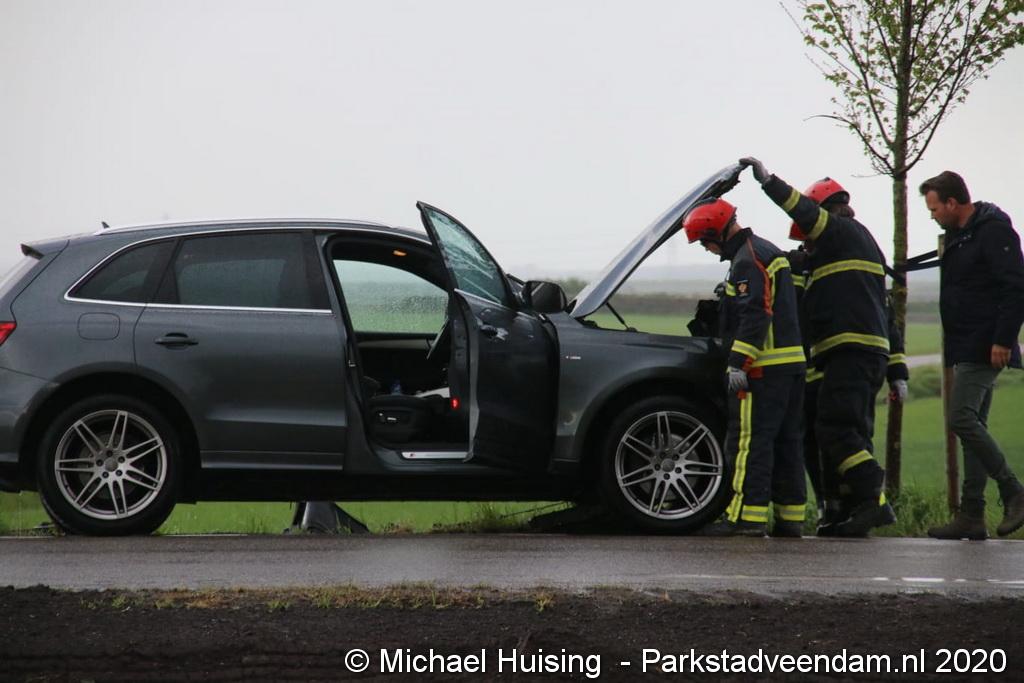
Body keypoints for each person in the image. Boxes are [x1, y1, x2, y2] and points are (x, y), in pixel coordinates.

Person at [741, 157, 896, 536]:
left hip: (851, 350)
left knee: (835, 429)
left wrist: (768, 182)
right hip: (858, 352)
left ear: (826, 210)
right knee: (847, 432)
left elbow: (804, 212)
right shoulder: (846, 247)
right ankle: (852, 510)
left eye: (809, 237)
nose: (807, 244)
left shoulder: (841, 231)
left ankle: (875, 501)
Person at [682, 197, 807, 537]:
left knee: (749, 443)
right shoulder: (765, 251)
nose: (707, 250)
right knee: (787, 443)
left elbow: (756, 314)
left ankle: (745, 519)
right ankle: (790, 519)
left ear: (716, 233)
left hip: (763, 370)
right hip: (790, 367)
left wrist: (738, 362)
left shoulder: (747, 260)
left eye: (705, 242)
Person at [919, 171, 1024, 540]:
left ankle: (1013, 490)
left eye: (934, 208)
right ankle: (972, 515)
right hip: (965, 343)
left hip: (985, 344)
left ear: (952, 203)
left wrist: (1003, 340)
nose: (932, 215)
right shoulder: (961, 235)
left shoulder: (993, 232)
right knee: (972, 424)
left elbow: (1016, 287)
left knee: (961, 419)